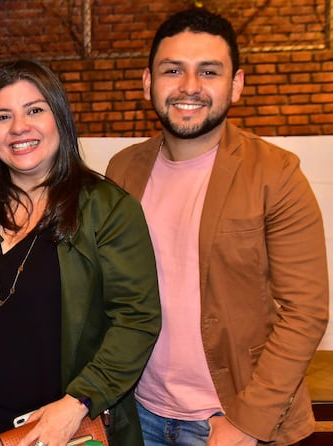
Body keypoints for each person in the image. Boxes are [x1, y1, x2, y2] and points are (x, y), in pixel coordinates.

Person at [105, 8, 329, 446]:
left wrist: (247, 422)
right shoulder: (122, 171)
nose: (189, 86)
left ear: (236, 85)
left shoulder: (276, 174)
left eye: (208, 71)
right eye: (173, 70)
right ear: (148, 82)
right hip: (138, 411)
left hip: (230, 419)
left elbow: (306, 311)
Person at [0, 59, 162, 446]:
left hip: (73, 428)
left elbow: (137, 321)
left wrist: (78, 402)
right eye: (3, 116)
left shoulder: (107, 209)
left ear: (60, 120)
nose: (19, 127)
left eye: (35, 110)